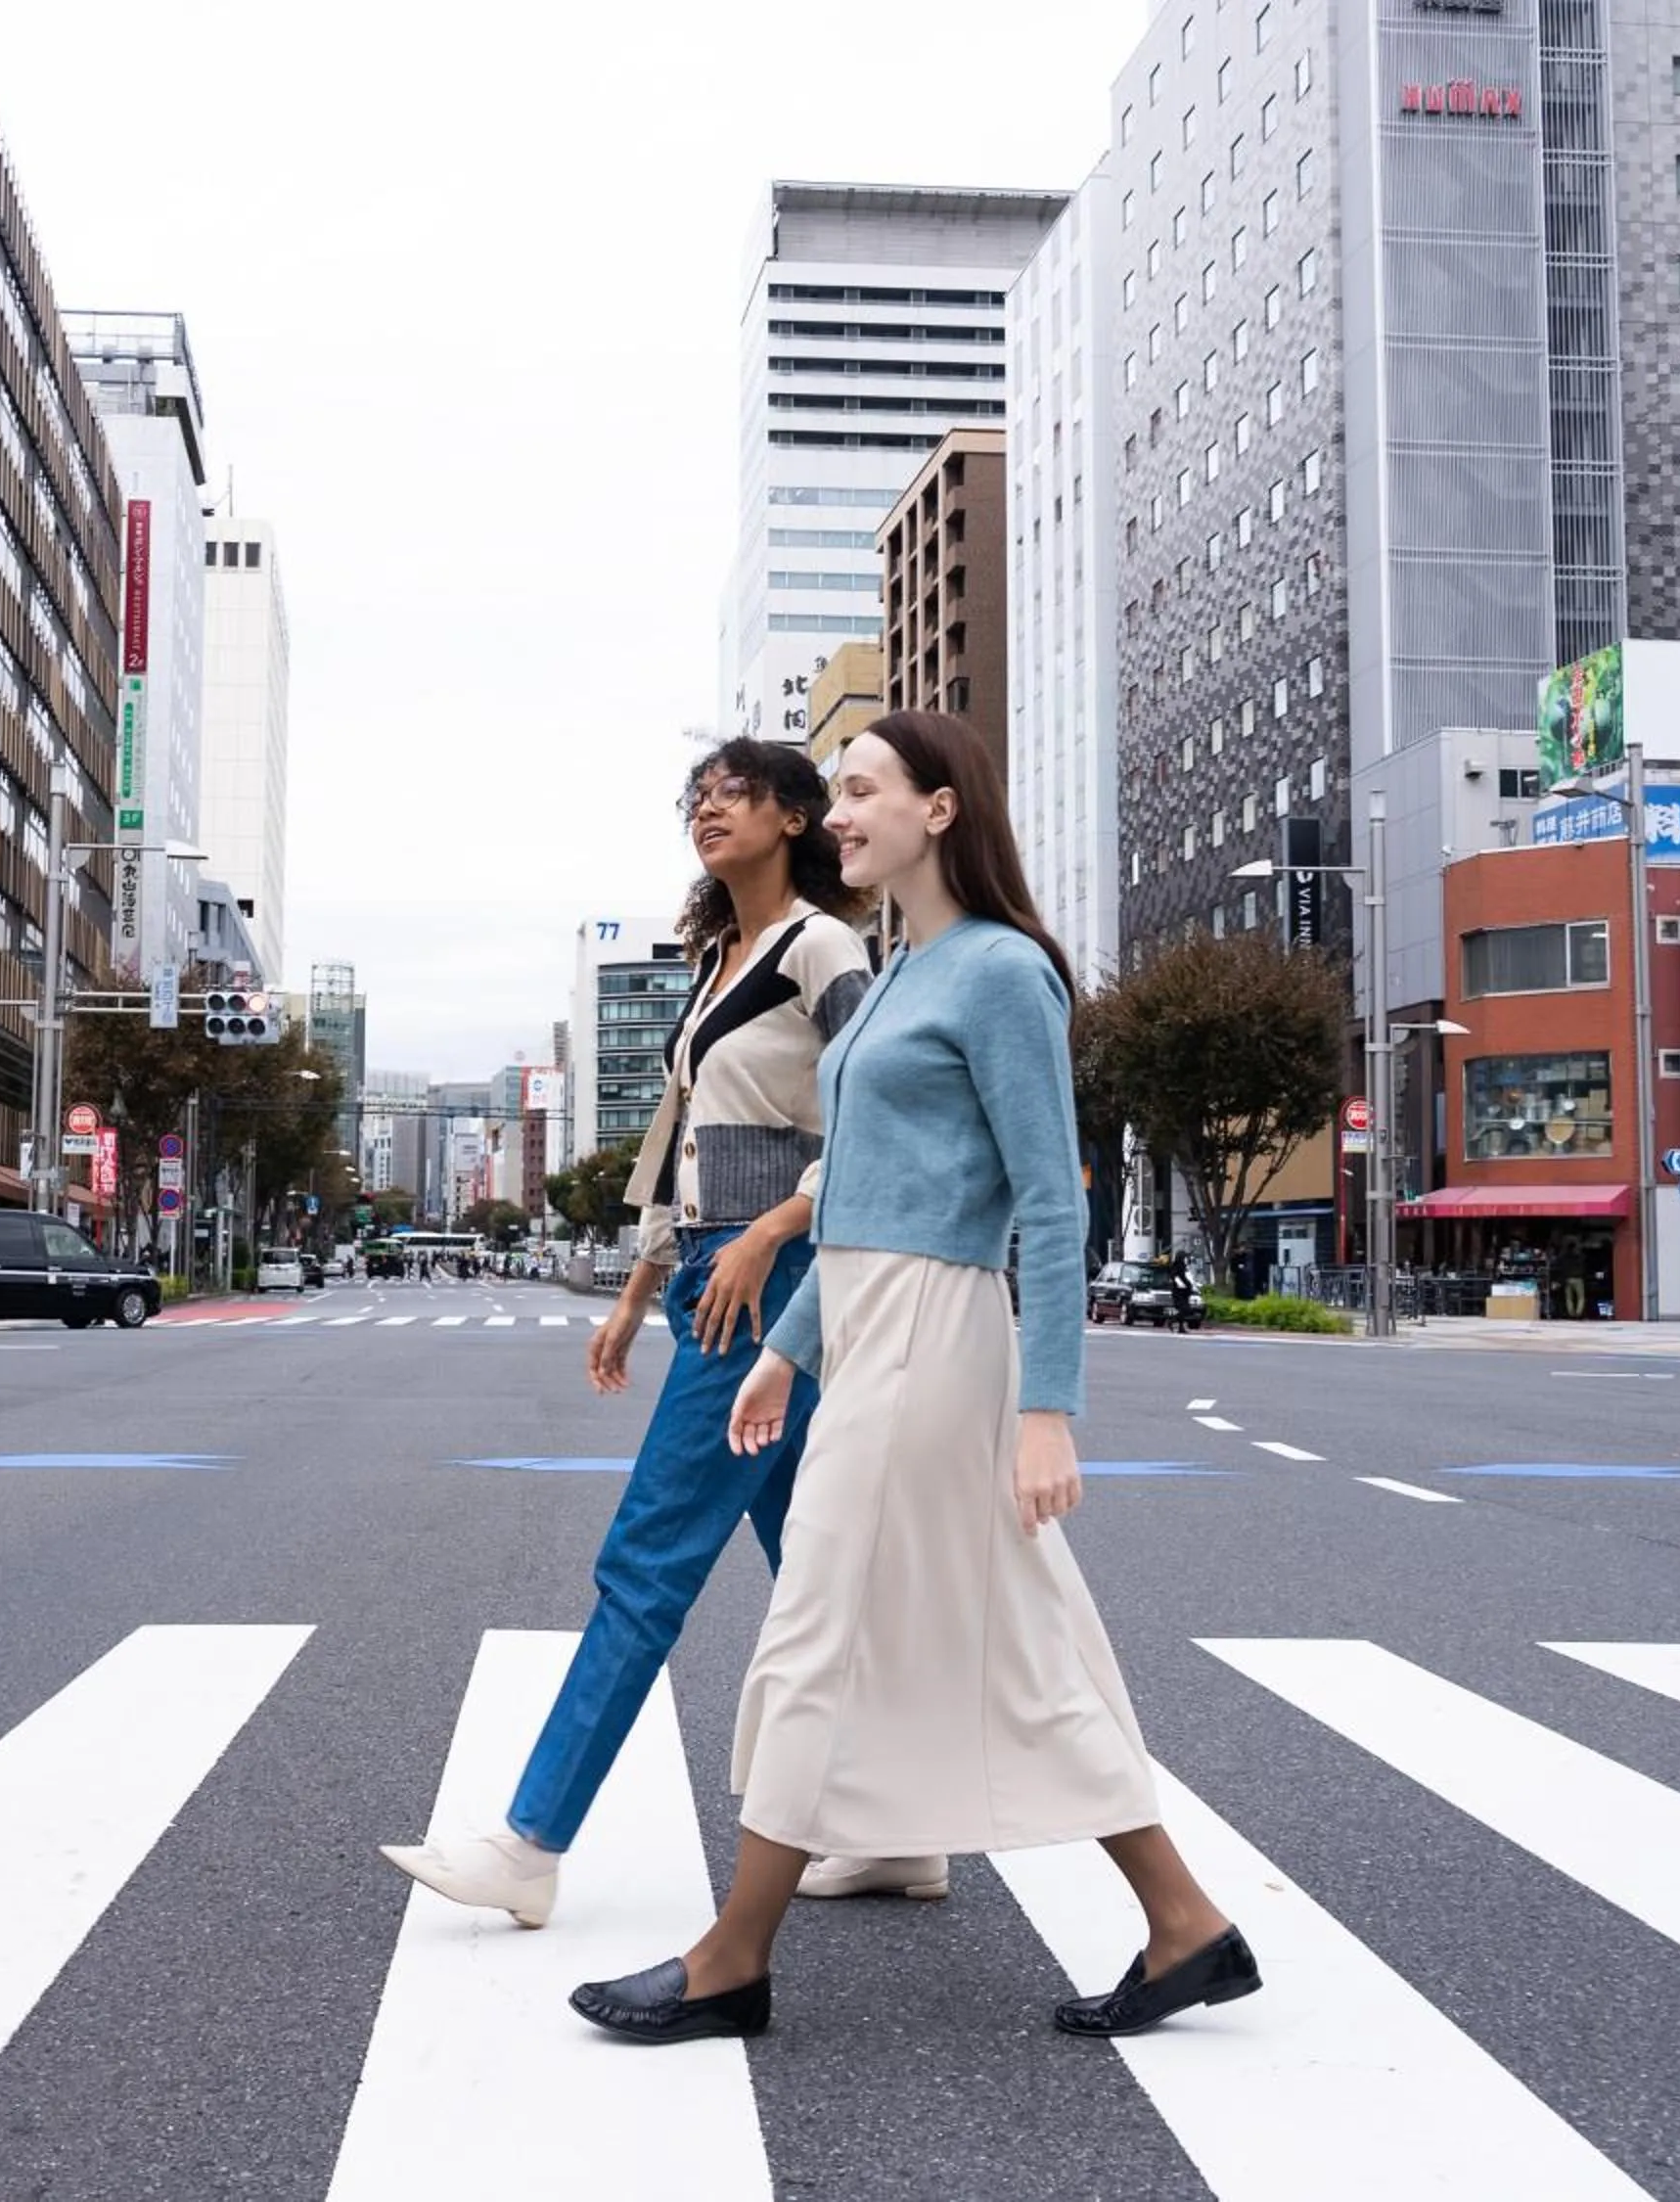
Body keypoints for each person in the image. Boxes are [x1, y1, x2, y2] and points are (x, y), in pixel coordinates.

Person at [568, 711, 1257, 2045]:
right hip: (871, 1317)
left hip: (939, 1333)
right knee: (1022, 1634)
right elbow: (858, 1203)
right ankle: (1186, 1923)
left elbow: (1048, 1203)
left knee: (815, 1623)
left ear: (940, 809)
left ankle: (733, 1957)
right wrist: (787, 1349)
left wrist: (1048, 1409)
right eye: (837, 796)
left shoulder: (1001, 972)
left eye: (862, 792)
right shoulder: (896, 974)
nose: (837, 816)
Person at [381, 737, 902, 1926]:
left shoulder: (822, 946)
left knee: (649, 1556)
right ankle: (900, 1833)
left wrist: (775, 1230)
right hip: (717, 1271)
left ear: (794, 818)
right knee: (816, 1566)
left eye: (733, 795)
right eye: (697, 799)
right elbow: (685, 1146)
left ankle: (531, 1840)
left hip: (775, 1277)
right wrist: (633, 1292)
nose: (708, 812)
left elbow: (880, 1114)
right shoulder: (719, 963)